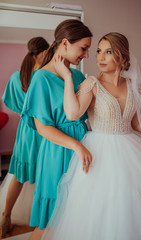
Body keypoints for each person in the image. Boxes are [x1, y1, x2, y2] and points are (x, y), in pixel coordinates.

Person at [42, 32, 141, 240]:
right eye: (98, 51)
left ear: (123, 58)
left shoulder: (132, 86)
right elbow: (72, 113)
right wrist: (68, 77)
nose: (100, 57)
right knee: (103, 207)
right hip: (100, 152)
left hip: (132, 152)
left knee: (134, 206)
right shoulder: (91, 84)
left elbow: (134, 123)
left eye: (108, 52)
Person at [21, 19, 92, 239]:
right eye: (84, 48)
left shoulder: (78, 76)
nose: (87, 55)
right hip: (58, 152)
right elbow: (43, 128)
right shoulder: (41, 78)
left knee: (77, 217)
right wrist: (77, 146)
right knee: (51, 220)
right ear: (65, 43)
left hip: (83, 148)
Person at [0, 37, 49, 238]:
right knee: (45, 175)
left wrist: (23, 112)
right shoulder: (46, 77)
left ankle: (6, 215)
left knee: (19, 176)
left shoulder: (17, 77)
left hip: (26, 131)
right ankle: (42, 222)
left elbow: (8, 101)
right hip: (45, 130)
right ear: (45, 53)